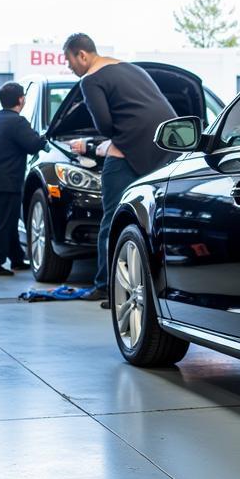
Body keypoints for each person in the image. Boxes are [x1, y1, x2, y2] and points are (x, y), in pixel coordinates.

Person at [63, 33, 176, 302]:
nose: (69, 68)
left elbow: (104, 124)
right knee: (153, 220)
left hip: (127, 151)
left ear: (82, 55)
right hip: (165, 147)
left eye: (69, 61)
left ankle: (105, 284)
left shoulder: (90, 79)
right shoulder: (131, 68)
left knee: (112, 220)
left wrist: (104, 144)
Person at [0, 81, 47, 277]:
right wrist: (45, 140)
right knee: (3, 224)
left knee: (6, 222)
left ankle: (17, 259)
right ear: (21, 99)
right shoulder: (18, 122)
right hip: (7, 181)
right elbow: (33, 144)